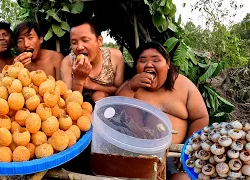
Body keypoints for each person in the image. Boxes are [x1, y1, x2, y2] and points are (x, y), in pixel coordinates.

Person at [116, 41, 209, 180]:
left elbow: (201, 117)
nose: (148, 64)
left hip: (175, 155)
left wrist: (189, 148)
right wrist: (130, 87)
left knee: (182, 179)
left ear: (168, 64)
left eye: (155, 60)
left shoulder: (183, 85)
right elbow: (115, 109)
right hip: (138, 156)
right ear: (136, 67)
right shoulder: (132, 86)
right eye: (142, 61)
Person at [60, 19, 125, 103]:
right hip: (80, 112)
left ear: (99, 41)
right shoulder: (68, 62)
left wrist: (92, 85)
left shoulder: (115, 57)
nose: (79, 47)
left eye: (85, 40)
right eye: (74, 42)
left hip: (109, 109)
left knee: (99, 96)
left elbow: (119, 91)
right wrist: (79, 80)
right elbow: (69, 103)